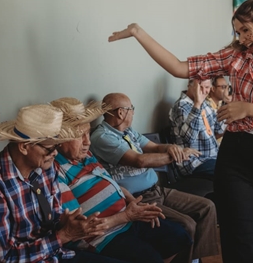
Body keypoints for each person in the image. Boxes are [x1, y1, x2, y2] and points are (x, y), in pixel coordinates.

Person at [108, 0, 253, 263]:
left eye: (245, 30)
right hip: (235, 156)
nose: (241, 38)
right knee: (238, 241)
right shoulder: (235, 57)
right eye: (237, 32)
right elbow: (178, 67)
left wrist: (248, 109)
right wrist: (139, 33)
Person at [0, 104, 123, 263]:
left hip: (58, 254)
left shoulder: (45, 167)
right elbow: (4, 258)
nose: (55, 153)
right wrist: (65, 235)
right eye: (50, 147)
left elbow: (52, 216)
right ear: (24, 147)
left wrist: (65, 221)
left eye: (57, 145)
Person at [51, 97, 192, 263]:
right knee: (150, 258)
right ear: (60, 139)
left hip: (125, 218)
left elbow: (112, 184)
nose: (87, 142)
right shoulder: (55, 171)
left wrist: (134, 204)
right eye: (80, 136)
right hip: (103, 236)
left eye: (88, 133)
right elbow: (80, 228)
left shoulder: (85, 155)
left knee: (178, 236)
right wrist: (127, 216)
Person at [90, 92, 218, 263]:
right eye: (131, 109)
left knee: (207, 207)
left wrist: (172, 148)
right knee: (187, 224)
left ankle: (195, 259)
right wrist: (179, 156)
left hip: (157, 190)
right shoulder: (102, 137)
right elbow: (139, 161)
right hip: (137, 197)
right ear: (121, 113)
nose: (133, 112)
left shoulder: (128, 131)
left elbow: (155, 147)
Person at [169, 79, 224, 180]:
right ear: (190, 85)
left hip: (212, 158)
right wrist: (197, 104)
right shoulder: (181, 106)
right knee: (229, 173)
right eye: (200, 87)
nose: (203, 91)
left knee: (240, 166)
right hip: (194, 162)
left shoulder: (205, 104)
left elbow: (219, 129)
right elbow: (189, 138)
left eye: (207, 87)